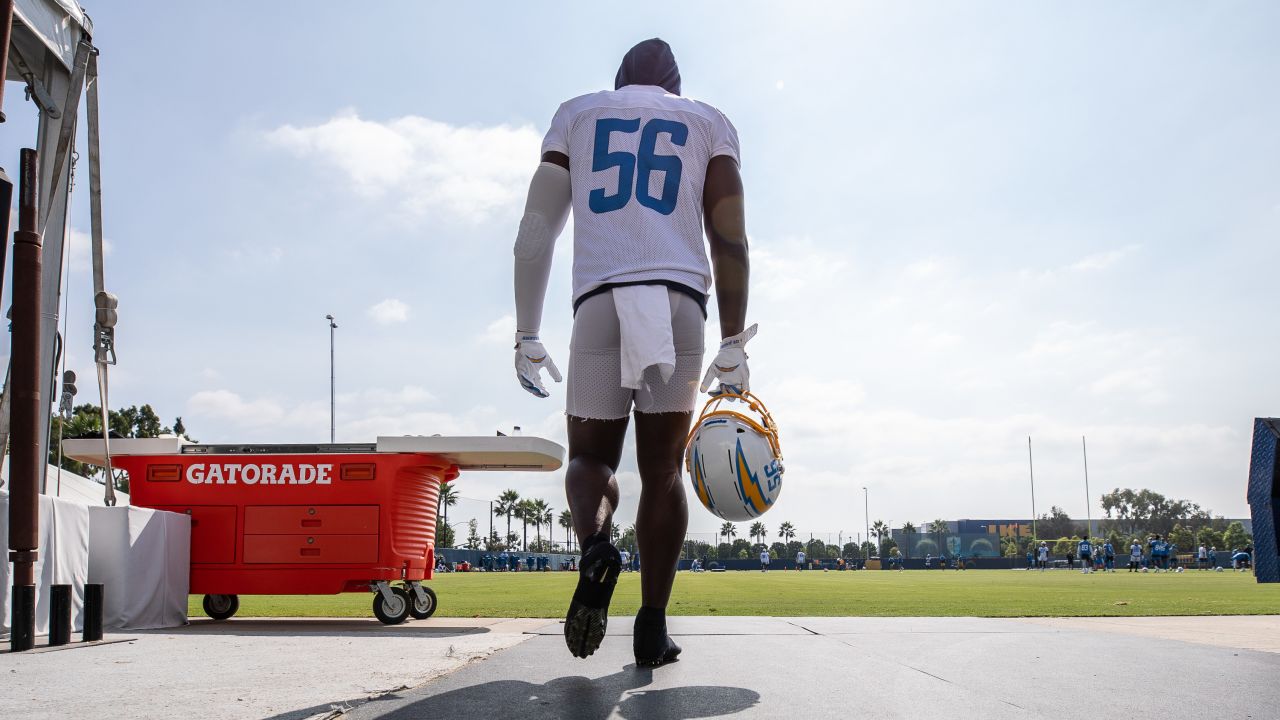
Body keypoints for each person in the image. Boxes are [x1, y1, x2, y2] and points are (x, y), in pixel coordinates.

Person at [512, 38, 748, 668]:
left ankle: (595, 545)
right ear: (674, 84)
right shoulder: (708, 120)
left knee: (591, 458)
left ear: (619, 81)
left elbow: (536, 232)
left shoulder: (579, 114)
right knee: (663, 470)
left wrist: (526, 331)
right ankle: (652, 625)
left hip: (599, 298)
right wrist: (733, 337)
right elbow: (729, 236)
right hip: (678, 304)